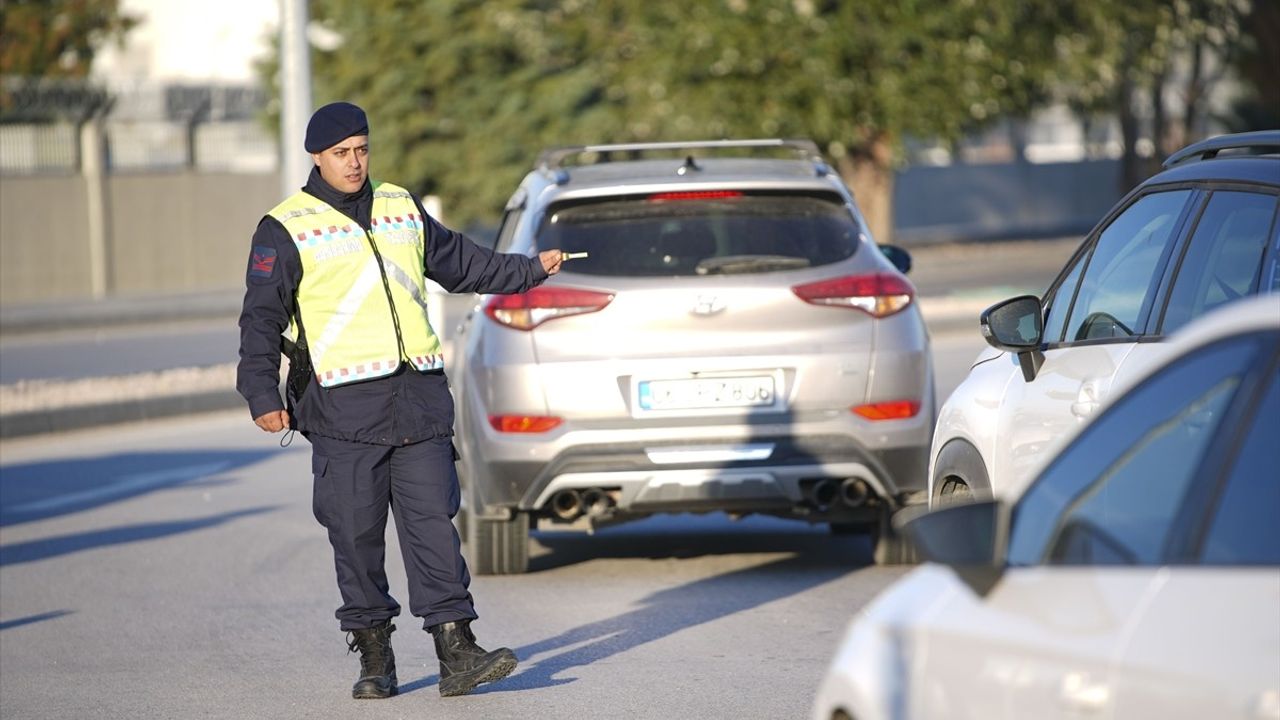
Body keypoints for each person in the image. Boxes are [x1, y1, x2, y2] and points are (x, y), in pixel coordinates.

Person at [236, 101, 562, 700]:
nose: (355, 162)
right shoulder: (285, 227)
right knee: (356, 535)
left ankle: (456, 649)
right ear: (316, 157)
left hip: (417, 402)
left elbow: (462, 263)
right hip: (342, 411)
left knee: (434, 527)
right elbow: (260, 319)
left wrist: (527, 270)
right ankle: (375, 655)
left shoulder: (399, 206)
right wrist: (260, 392)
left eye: (362, 149)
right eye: (341, 154)